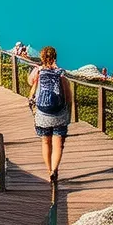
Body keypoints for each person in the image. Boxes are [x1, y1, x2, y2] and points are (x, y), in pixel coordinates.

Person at [28, 45, 72, 184]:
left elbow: (31, 84)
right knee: (58, 144)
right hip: (59, 113)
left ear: (41, 57)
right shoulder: (61, 73)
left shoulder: (38, 71)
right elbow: (68, 96)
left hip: (42, 114)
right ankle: (54, 170)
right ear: (55, 57)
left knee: (45, 141)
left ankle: (48, 171)